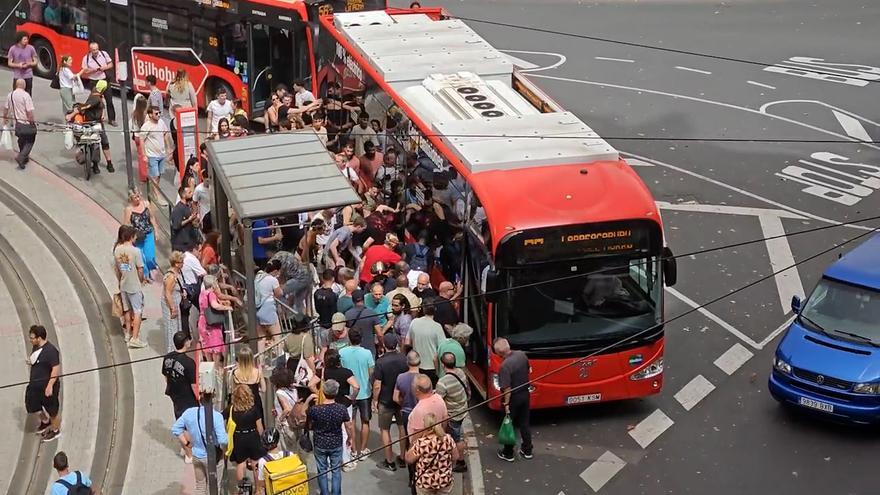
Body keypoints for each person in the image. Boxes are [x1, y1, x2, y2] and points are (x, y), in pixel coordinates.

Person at [171, 394, 229, 495]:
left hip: (196, 455)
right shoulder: (216, 416)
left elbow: (175, 429)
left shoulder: (189, 413)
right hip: (212, 457)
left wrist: (187, 443)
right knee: (213, 487)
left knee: (200, 486)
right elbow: (222, 440)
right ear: (213, 401)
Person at [309, 379, 355, 495]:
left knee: (322, 470)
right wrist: (350, 438)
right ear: (336, 392)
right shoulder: (341, 408)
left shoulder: (315, 410)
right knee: (336, 471)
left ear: (323, 391)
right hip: (336, 442)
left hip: (320, 443)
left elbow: (308, 422)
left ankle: (324, 493)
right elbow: (348, 426)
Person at [371, 333, 408, 471]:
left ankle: (389, 461)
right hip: (401, 399)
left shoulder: (380, 362)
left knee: (384, 430)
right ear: (396, 344)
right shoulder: (404, 359)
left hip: (385, 400)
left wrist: (374, 400)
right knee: (402, 427)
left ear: (384, 346)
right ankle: (403, 457)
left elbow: (377, 385)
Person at [406, 373, 448, 493]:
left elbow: (417, 437)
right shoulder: (439, 399)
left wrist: (410, 453)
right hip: (439, 449)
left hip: (423, 455)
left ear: (417, 390)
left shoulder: (419, 410)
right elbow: (445, 421)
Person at [162, 331, 199, 463]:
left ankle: (183, 448)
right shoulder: (189, 363)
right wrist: (199, 398)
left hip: (174, 394)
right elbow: (194, 385)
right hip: (187, 397)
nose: (190, 342)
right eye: (188, 340)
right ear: (185, 343)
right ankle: (189, 454)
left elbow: (166, 376)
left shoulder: (167, 358)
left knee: (179, 419)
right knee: (188, 425)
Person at [494, 337, 533, 462]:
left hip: (513, 398)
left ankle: (508, 452)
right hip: (525, 394)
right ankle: (527, 450)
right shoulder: (522, 355)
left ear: (499, 353)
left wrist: (506, 403)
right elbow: (529, 370)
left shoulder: (505, 366)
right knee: (524, 423)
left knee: (508, 425)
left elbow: (507, 389)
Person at [338, 328, 374, 459]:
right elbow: (371, 373)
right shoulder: (367, 353)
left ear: (349, 338)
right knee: (365, 421)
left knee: (350, 422)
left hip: (349, 392)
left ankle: (353, 449)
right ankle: (363, 450)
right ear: (361, 339)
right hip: (364, 392)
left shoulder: (342, 352)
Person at [322, 348, 358, 469]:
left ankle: (330, 460)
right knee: (344, 432)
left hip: (329, 404)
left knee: (330, 431)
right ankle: (346, 461)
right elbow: (356, 386)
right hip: (344, 404)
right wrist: (352, 397)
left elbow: (312, 384)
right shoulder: (346, 372)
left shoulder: (326, 372)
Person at [405, 412, 458, 495]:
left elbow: (409, 459)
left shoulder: (422, 443)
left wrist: (411, 445)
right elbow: (455, 457)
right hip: (444, 480)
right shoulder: (448, 439)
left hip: (426, 482)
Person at [26, 325, 62, 442]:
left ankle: (55, 430)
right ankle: (45, 422)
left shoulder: (51, 351)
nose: (30, 340)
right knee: (33, 405)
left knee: (52, 411)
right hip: (35, 386)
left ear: (39, 338)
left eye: (32, 338)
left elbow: (55, 369)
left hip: (47, 387)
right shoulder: (36, 347)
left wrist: (50, 385)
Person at [114, 225, 147, 348]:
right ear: (131, 237)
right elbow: (140, 269)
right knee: (138, 311)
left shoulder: (118, 250)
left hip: (123, 283)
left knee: (127, 309)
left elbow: (117, 268)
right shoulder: (135, 251)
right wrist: (142, 280)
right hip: (134, 285)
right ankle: (135, 337)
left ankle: (127, 334)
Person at [435, 352, 469, 473]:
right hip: (463, 409)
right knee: (456, 434)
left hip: (453, 414)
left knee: (456, 438)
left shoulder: (443, 382)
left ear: (443, 365)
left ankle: (461, 462)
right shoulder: (460, 373)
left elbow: (437, 401)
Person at [229, 383, 267, 483]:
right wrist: (262, 440)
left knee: (241, 464)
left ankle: (242, 489)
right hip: (253, 436)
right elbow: (260, 428)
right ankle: (258, 490)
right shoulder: (254, 410)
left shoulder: (232, 409)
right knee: (255, 463)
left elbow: (220, 416)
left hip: (238, 437)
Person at [405, 298, 445, 386]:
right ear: (435, 310)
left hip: (417, 365)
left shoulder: (414, 322)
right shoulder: (437, 327)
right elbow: (442, 348)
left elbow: (407, 342)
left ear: (423, 309)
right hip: (432, 367)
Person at [140, 105, 174, 206]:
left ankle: (154, 191)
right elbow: (141, 140)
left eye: (159, 113)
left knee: (159, 175)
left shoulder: (161, 123)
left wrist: (168, 147)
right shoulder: (146, 126)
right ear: (150, 115)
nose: (159, 115)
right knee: (155, 175)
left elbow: (165, 134)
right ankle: (157, 195)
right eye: (156, 113)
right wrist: (144, 155)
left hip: (161, 154)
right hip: (152, 155)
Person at [123, 188, 159, 280]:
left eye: (139, 196)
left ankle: (152, 268)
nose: (138, 199)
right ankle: (145, 275)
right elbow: (126, 225)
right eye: (135, 197)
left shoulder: (146, 204)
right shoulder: (129, 209)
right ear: (131, 199)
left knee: (149, 256)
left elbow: (152, 218)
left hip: (148, 233)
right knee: (141, 258)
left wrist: (156, 231)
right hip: (137, 237)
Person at [80, 79, 115, 174]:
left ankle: (104, 164)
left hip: (98, 122)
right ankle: (102, 164)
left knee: (100, 143)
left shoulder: (97, 92)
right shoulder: (95, 98)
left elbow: (101, 105)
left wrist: (102, 114)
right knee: (100, 143)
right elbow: (85, 107)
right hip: (93, 123)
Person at [393, 350, 421, 467]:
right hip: (420, 413)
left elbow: (395, 398)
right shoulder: (423, 378)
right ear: (419, 362)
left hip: (406, 412)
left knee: (408, 438)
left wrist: (403, 403)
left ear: (407, 362)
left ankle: (406, 461)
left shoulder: (400, 377)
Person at [3, 78, 36, 169]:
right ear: (23, 85)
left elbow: (5, 108)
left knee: (21, 139)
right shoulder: (26, 96)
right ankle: (21, 157)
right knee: (30, 140)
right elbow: (29, 112)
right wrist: (32, 122)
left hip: (17, 124)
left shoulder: (10, 95)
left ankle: (23, 157)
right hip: (25, 123)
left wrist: (5, 118)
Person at [198, 275, 231, 364]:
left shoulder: (202, 293)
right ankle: (216, 367)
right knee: (216, 346)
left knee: (207, 346)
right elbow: (214, 305)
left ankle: (209, 365)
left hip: (202, 321)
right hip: (211, 323)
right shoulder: (211, 294)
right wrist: (226, 307)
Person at [81, 41, 115, 125]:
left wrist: (104, 67)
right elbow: (85, 70)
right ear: (90, 50)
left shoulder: (104, 54)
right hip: (94, 81)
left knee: (109, 100)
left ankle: (112, 119)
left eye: (96, 49)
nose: (95, 51)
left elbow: (111, 64)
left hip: (104, 80)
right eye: (93, 50)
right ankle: (96, 118)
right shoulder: (86, 58)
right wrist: (95, 69)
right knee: (95, 101)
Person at [255, 427, 295, 495]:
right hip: (292, 491)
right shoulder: (290, 454)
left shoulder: (263, 461)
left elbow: (262, 483)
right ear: (278, 440)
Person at [255, 259, 283, 353]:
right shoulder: (273, 280)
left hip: (257, 309)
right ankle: (279, 360)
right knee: (277, 337)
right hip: (268, 309)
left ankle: (260, 363)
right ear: (275, 271)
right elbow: (279, 293)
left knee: (261, 338)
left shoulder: (258, 277)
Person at [344, 290, 382, 358]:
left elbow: (346, 333)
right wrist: (381, 346)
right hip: (370, 350)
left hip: (354, 350)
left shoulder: (347, 314)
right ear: (364, 300)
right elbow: (379, 334)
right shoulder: (372, 313)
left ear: (353, 301)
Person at [233, 345, 264, 423]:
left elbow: (234, 390)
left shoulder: (236, 373)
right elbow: (264, 389)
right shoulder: (258, 372)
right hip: (255, 402)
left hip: (241, 403)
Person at [171, 184, 200, 252]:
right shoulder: (178, 209)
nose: (192, 194)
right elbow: (176, 225)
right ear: (183, 195)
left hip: (189, 240)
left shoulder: (187, 206)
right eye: (189, 192)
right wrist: (189, 219)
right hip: (181, 244)